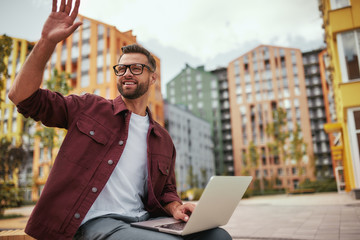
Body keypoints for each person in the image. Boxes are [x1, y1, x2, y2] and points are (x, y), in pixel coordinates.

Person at [9, 0, 232, 239]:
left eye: (136, 68)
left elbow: (166, 191)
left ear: (153, 78)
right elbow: (22, 97)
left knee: (218, 236)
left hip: (144, 220)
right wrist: (47, 41)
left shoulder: (162, 138)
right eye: (122, 68)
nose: (126, 73)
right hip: (97, 222)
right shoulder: (89, 108)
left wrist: (177, 207)